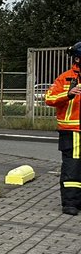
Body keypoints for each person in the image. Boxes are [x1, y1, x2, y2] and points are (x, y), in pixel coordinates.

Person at [44, 42, 81, 215]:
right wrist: (68, 94)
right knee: (72, 167)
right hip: (72, 130)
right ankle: (71, 203)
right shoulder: (65, 78)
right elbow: (49, 98)